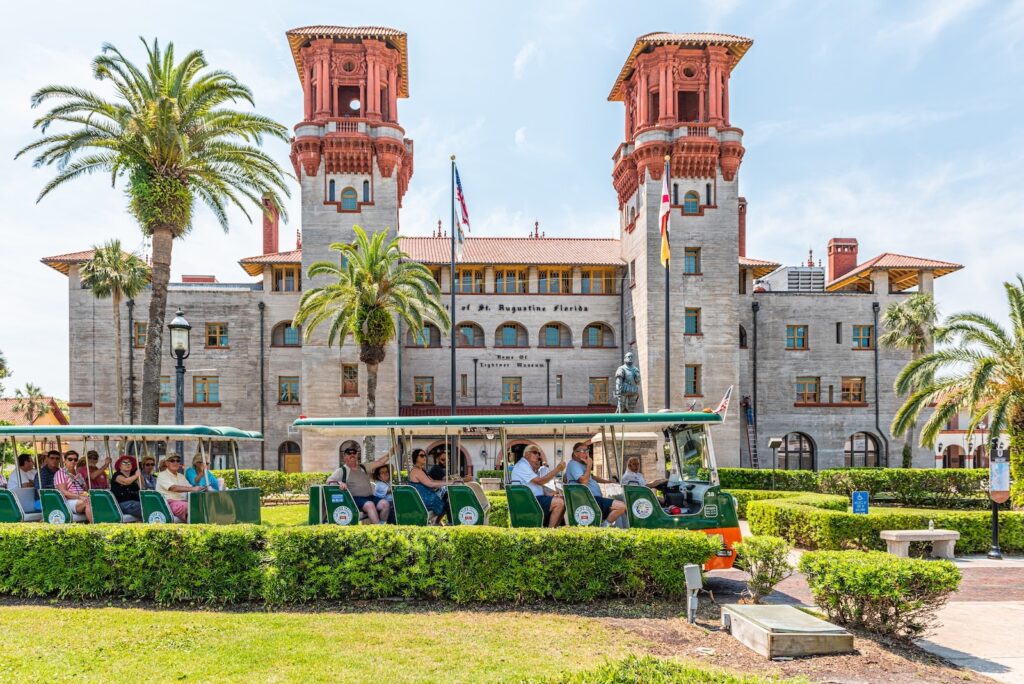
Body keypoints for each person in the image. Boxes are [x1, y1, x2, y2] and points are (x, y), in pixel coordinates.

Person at [326, 440, 391, 524]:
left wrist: (391, 453)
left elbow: (380, 462)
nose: (352, 455)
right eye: (349, 453)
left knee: (385, 504)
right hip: (355, 499)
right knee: (370, 505)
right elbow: (329, 481)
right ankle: (378, 529)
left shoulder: (363, 467)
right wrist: (339, 482)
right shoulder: (342, 470)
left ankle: (382, 525)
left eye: (354, 453)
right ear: (344, 457)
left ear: (357, 456)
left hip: (370, 497)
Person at [564, 442, 626, 527]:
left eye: (587, 450)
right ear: (575, 453)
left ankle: (604, 524)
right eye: (583, 450)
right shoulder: (573, 464)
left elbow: (591, 477)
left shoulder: (581, 465)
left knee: (619, 506)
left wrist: (608, 482)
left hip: (594, 498)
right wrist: (589, 466)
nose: (586, 453)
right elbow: (584, 482)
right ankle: (604, 526)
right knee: (621, 506)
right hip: (590, 499)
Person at [510, 445, 565, 527]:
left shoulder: (526, 465)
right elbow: (540, 481)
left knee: (562, 499)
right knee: (559, 502)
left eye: (539, 453)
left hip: (532, 498)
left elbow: (534, 486)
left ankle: (553, 529)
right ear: (527, 454)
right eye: (535, 452)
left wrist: (547, 493)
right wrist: (557, 470)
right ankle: (550, 534)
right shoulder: (522, 465)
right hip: (528, 501)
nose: (538, 456)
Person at [408, 448, 462, 523]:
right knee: (448, 499)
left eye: (425, 455)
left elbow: (432, 481)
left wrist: (450, 482)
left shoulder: (421, 470)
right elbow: (430, 484)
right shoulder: (416, 471)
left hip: (425, 497)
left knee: (448, 496)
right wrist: (449, 483)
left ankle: (440, 522)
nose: (424, 457)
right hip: (424, 500)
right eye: (422, 455)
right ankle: (450, 523)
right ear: (415, 458)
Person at [156, 454, 206, 520]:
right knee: (190, 507)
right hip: (168, 504)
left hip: (182, 502)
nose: (175, 463)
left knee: (203, 504)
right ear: (167, 463)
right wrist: (193, 489)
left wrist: (202, 488)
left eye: (178, 461)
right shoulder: (162, 475)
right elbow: (174, 488)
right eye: (172, 461)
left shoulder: (181, 476)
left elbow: (190, 488)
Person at [55, 451, 94, 523]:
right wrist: (80, 497)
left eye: (75, 460)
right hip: (68, 501)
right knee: (87, 502)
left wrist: (81, 482)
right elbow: (64, 492)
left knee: (98, 500)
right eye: (70, 459)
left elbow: (86, 489)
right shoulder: (60, 473)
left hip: (81, 498)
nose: (73, 461)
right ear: (65, 460)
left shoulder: (78, 474)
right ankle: (96, 527)